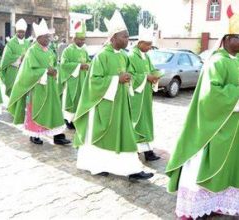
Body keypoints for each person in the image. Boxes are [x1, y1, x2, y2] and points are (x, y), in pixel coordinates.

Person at [166, 5, 239, 219]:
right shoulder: (216, 61)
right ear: (227, 39)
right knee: (202, 163)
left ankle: (217, 202)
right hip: (211, 127)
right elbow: (212, 95)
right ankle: (192, 207)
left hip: (233, 125)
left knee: (227, 165)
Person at [73, 10, 153, 180]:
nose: (127, 39)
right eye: (124, 36)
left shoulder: (124, 57)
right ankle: (97, 165)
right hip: (104, 104)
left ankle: (132, 169)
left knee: (125, 134)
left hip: (121, 103)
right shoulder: (101, 56)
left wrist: (128, 79)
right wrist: (117, 79)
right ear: (114, 37)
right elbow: (94, 81)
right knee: (104, 136)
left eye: (127, 36)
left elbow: (128, 75)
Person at [7, 19, 71, 146]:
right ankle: (34, 134)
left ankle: (57, 136)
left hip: (51, 86)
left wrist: (55, 71)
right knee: (38, 109)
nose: (48, 40)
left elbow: (55, 65)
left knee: (54, 109)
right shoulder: (32, 51)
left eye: (49, 37)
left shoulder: (49, 51)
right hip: (38, 88)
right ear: (39, 37)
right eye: (46, 37)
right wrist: (46, 72)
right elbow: (29, 71)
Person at [127, 24, 161, 161]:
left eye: (151, 45)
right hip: (135, 96)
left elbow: (151, 70)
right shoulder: (131, 56)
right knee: (136, 122)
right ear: (139, 43)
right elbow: (129, 75)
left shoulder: (146, 57)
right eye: (147, 45)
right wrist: (146, 77)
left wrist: (156, 75)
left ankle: (148, 150)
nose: (149, 48)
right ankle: (135, 150)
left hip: (146, 95)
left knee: (146, 122)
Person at [59, 21, 90, 129]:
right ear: (74, 38)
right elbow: (63, 64)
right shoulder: (68, 51)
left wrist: (88, 65)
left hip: (83, 80)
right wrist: (78, 66)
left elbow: (89, 61)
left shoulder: (84, 51)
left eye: (83, 39)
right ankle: (69, 120)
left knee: (81, 99)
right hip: (72, 81)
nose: (82, 42)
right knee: (71, 99)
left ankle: (79, 118)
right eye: (80, 39)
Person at [0, 18, 30, 97]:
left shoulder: (27, 43)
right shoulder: (11, 43)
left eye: (22, 32)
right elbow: (6, 58)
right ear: (16, 31)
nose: (21, 34)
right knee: (13, 93)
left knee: (22, 93)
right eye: (19, 32)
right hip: (13, 71)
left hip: (24, 71)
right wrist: (19, 58)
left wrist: (26, 58)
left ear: (25, 32)